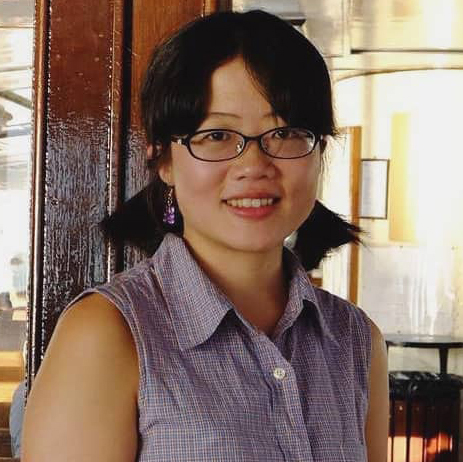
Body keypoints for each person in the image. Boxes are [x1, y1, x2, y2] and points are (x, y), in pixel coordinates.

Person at [22, 9, 388, 462]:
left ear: (320, 152)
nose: (253, 166)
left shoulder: (355, 340)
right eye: (216, 135)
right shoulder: (107, 334)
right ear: (164, 159)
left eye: (285, 132)